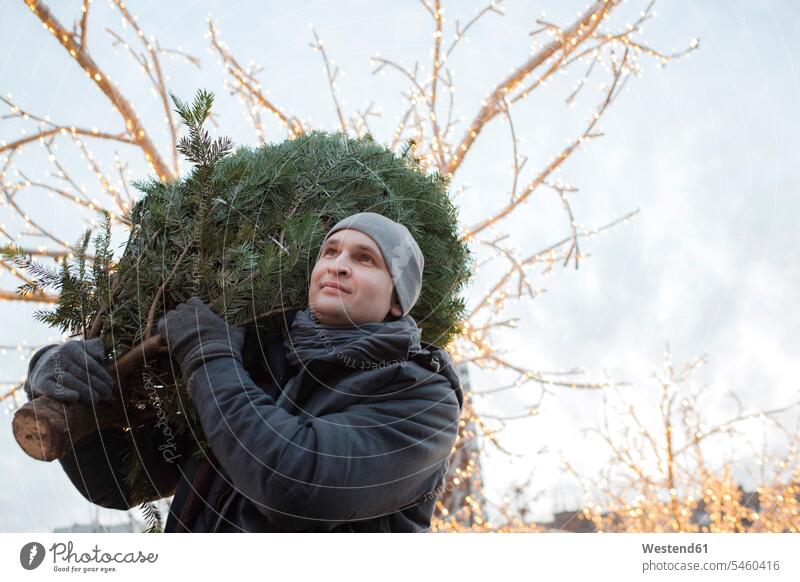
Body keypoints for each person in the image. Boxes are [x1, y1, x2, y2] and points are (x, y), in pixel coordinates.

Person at [23, 212, 464, 532]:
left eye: (365, 258)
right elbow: (115, 483)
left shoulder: (422, 398)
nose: (338, 264)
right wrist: (54, 378)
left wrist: (207, 353)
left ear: (396, 300)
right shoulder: (258, 366)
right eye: (330, 251)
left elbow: (296, 483)